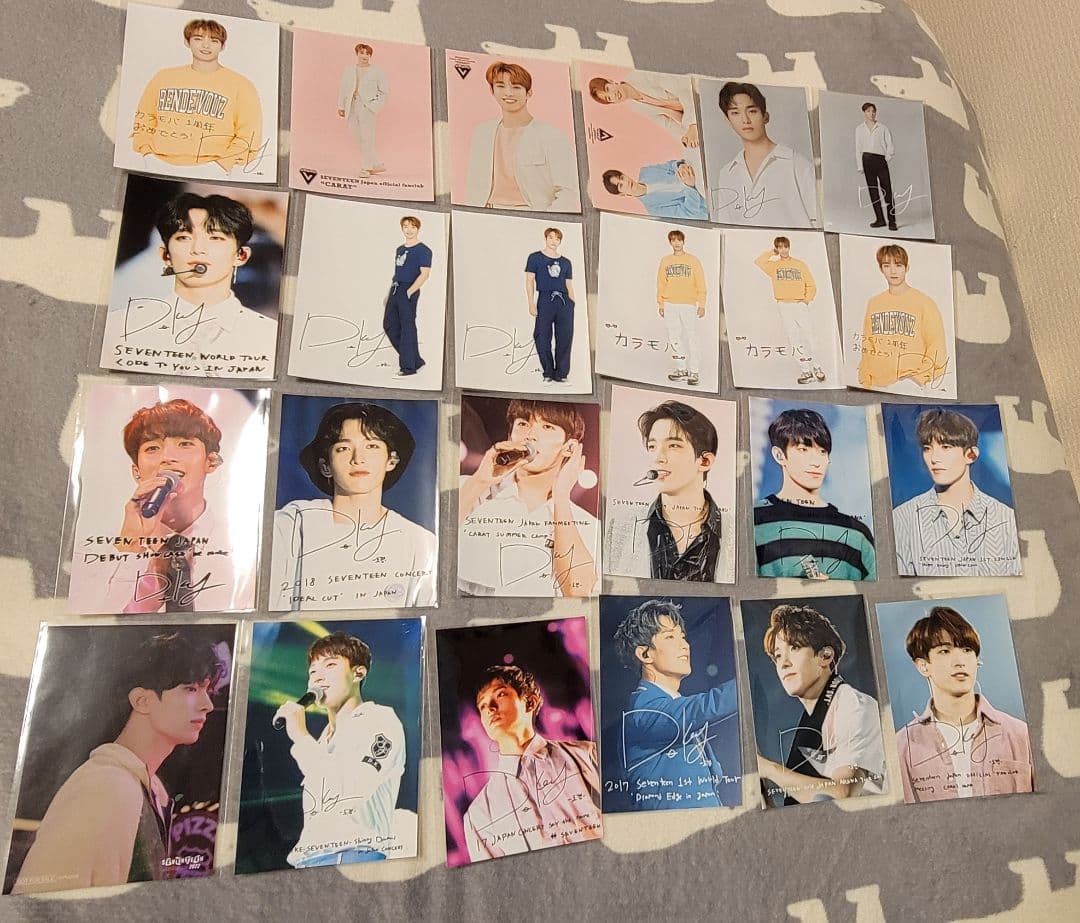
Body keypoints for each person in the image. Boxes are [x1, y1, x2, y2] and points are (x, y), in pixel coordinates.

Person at [12, 632, 227, 893]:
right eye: (191, 688)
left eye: (208, 690)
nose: (207, 704)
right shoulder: (107, 785)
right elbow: (46, 900)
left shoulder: (144, 787)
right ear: (142, 701)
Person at [271, 402, 437, 610]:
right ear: (325, 466)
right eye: (343, 448)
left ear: (391, 460)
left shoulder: (420, 543)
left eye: (372, 446)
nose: (358, 459)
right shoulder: (291, 526)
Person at [92, 398, 246, 614]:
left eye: (185, 444)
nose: (167, 457)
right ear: (137, 471)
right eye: (153, 448)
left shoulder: (243, 549)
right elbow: (93, 618)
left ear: (210, 461)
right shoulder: (97, 551)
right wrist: (131, 543)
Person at [273, 632, 406, 866]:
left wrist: (301, 737)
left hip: (354, 856)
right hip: (310, 861)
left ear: (358, 673)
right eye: (312, 671)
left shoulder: (380, 720)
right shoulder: (323, 740)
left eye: (330, 665)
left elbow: (350, 793)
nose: (318, 677)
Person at [101, 191, 278, 366]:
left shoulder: (266, 335)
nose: (199, 249)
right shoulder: (119, 323)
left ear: (242, 255)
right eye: (185, 238)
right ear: (165, 254)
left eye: (215, 238)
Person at [458, 400, 598, 597]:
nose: (531, 435)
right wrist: (480, 481)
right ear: (510, 435)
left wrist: (561, 496)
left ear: (570, 447)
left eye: (547, 427)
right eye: (523, 424)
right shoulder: (470, 488)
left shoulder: (587, 524)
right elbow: (432, 544)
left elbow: (578, 591)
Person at [463, 665, 602, 860]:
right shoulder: (479, 815)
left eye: (500, 694)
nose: (490, 708)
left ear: (530, 702)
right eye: (482, 706)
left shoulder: (588, 756)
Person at [895, 607, 1034, 802]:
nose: (960, 661)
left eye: (967, 650)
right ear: (923, 666)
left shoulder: (1020, 734)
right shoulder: (902, 746)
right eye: (944, 651)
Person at [612, 600, 738, 809]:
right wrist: (748, 678)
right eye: (670, 637)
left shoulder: (673, 709)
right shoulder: (641, 711)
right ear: (645, 654)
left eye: (683, 636)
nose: (685, 645)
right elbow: (708, 706)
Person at [757, 604, 886, 806]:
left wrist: (770, 769)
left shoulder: (854, 706)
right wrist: (762, 790)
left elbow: (842, 795)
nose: (783, 663)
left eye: (794, 648)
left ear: (825, 656)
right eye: (778, 655)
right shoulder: (812, 719)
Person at [892, 408, 1021, 576]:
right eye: (927, 448)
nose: (934, 458)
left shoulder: (1006, 519)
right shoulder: (902, 519)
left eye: (945, 447)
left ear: (971, 455)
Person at [754, 408, 876, 581]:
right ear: (779, 455)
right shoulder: (753, 520)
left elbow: (877, 592)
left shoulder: (857, 533)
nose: (816, 462)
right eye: (803, 449)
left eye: (822, 451)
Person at [130, 18, 263, 172]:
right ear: (187, 42)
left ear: (223, 46)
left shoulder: (241, 85)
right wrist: (147, 154)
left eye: (214, 40)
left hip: (212, 169)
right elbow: (145, 117)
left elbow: (249, 134)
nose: (206, 45)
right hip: (157, 164)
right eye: (198, 39)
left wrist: (221, 165)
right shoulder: (163, 77)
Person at [463, 61, 579, 211]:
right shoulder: (482, 133)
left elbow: (569, 193)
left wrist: (545, 218)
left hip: (530, 214)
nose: (508, 93)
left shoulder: (552, 136)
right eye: (500, 86)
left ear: (529, 93)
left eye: (516, 87)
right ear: (492, 90)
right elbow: (473, 187)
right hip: (486, 213)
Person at [631, 401, 722, 582]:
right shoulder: (621, 527)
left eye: (673, 446)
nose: (658, 458)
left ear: (705, 461)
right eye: (652, 446)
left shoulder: (735, 531)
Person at [712, 82, 817, 227]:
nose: (745, 120)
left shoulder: (797, 164)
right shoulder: (726, 174)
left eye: (752, 111)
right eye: (735, 113)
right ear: (728, 120)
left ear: (765, 116)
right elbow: (725, 228)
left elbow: (818, 222)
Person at [857, 244, 948, 391]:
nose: (893, 271)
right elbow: (868, 345)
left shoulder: (924, 303)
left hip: (911, 386)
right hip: (876, 385)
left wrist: (918, 378)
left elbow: (937, 347)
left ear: (907, 267)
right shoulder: (874, 303)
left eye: (898, 265)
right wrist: (865, 381)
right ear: (881, 269)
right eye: (887, 266)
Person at [754, 236, 827, 385]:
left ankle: (817, 367)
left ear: (789, 247)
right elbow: (759, 261)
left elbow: (811, 285)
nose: (783, 250)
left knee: (810, 337)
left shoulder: (800, 264)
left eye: (785, 246)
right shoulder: (774, 266)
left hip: (799, 304)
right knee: (794, 339)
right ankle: (806, 371)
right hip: (783, 306)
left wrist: (805, 300)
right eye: (780, 247)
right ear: (777, 248)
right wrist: (772, 252)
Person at [587, 71, 699, 147]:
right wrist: (684, 138)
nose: (613, 95)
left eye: (608, 89)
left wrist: (692, 125)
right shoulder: (633, 105)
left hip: (696, 92)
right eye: (609, 98)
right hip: (693, 116)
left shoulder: (640, 75)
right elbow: (666, 123)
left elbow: (683, 90)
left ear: (611, 81)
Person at [525, 227, 576, 383]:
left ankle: (561, 374)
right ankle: (548, 371)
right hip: (545, 299)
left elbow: (568, 284)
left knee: (565, 337)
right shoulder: (535, 258)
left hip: (564, 301)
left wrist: (572, 302)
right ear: (546, 238)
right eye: (551, 237)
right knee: (541, 335)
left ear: (560, 241)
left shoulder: (566, 262)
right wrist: (531, 303)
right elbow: (529, 281)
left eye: (557, 239)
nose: (554, 241)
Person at [382, 215, 432, 377]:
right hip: (395, 289)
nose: (409, 230)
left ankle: (408, 367)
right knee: (389, 325)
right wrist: (389, 294)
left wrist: (410, 292)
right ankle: (415, 360)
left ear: (418, 228)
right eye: (405, 226)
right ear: (402, 228)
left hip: (409, 289)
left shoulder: (423, 250)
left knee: (407, 328)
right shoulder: (400, 249)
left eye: (412, 226)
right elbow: (397, 273)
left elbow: (425, 274)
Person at [656, 230, 706, 386]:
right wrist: (661, 303)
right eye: (673, 240)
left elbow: (701, 282)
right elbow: (661, 283)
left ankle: (694, 372)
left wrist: (702, 304)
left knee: (692, 336)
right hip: (670, 304)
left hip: (688, 304)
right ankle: (681, 369)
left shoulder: (693, 260)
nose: (676, 243)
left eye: (679, 240)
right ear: (670, 242)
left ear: (683, 241)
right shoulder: (665, 261)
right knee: (674, 337)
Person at [336, 42, 388, 178]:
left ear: (370, 56)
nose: (364, 56)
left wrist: (374, 106)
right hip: (351, 106)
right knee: (356, 136)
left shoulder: (377, 72)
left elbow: (383, 92)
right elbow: (343, 88)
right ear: (357, 54)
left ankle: (366, 168)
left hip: (367, 107)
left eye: (367, 54)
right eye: (362, 53)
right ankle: (375, 163)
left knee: (367, 138)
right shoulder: (349, 70)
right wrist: (341, 106)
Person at [602, 160, 709, 220]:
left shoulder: (646, 171)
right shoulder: (654, 209)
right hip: (706, 201)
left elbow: (671, 165)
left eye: (622, 178)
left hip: (699, 172)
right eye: (621, 185)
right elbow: (689, 211)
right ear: (622, 194)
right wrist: (690, 186)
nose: (626, 182)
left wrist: (680, 166)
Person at [855, 102, 897, 231]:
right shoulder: (859, 129)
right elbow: (858, 148)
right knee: (873, 191)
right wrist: (860, 166)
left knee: (887, 191)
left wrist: (886, 158)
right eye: (868, 111)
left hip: (880, 160)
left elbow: (890, 145)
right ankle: (880, 219)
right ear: (864, 113)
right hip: (867, 160)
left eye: (873, 111)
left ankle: (892, 221)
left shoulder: (882, 128)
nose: (871, 113)